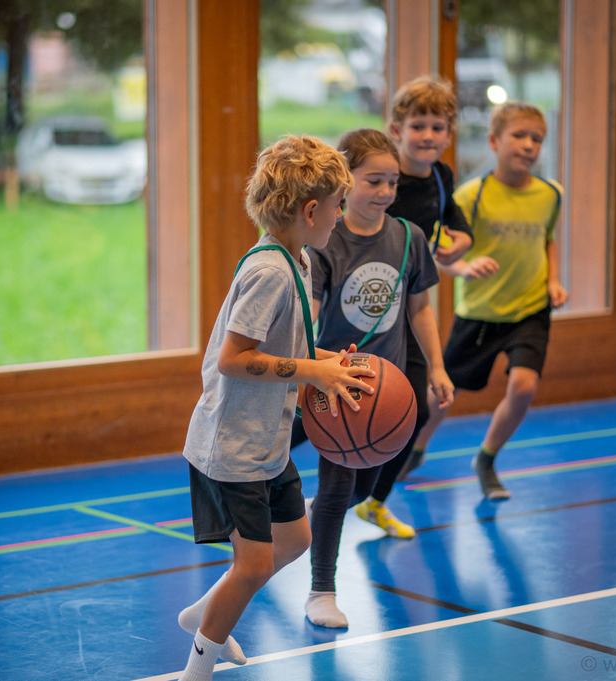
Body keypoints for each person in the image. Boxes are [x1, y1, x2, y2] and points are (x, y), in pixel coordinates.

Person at [175, 135, 375, 681]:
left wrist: (333, 363)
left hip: (266, 438)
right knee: (254, 565)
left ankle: (204, 610)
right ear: (312, 211)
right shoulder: (269, 271)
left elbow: (289, 346)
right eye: (338, 207)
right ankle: (196, 670)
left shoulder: (300, 258)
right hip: (233, 445)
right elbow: (233, 359)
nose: (340, 217)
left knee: (296, 539)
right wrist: (314, 371)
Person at [294, 128, 454, 629]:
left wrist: (437, 365)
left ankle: (310, 511)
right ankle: (321, 591)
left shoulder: (409, 237)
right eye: (373, 181)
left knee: (358, 489)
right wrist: (318, 368)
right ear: (345, 183)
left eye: (392, 182)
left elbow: (421, 308)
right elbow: (309, 316)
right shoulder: (326, 242)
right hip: (334, 383)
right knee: (337, 486)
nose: (385, 191)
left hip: (384, 384)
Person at [352, 75, 473, 531]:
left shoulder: (442, 178)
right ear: (396, 129)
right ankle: (263, 484)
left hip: (411, 311)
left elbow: (457, 225)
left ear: (449, 133)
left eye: (438, 127)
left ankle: (374, 501)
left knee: (417, 410)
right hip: (365, 309)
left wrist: (458, 244)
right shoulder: (386, 179)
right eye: (418, 125)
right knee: (313, 417)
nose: (428, 136)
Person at [435, 101, 568, 501]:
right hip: (479, 312)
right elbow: (444, 252)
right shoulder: (471, 195)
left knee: (524, 386)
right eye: (519, 136)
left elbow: (547, 240)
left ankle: (487, 459)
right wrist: (466, 265)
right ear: (494, 141)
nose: (528, 145)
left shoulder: (550, 194)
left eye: (537, 139)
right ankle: (414, 449)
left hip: (530, 309)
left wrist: (554, 282)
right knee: (440, 395)